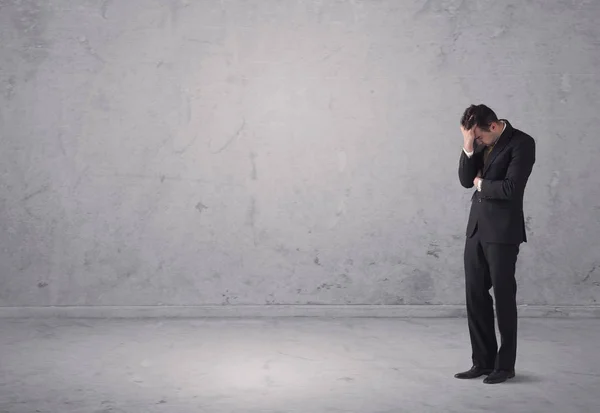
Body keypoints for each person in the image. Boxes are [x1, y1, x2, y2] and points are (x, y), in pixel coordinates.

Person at [454, 104, 536, 384]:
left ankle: (505, 365)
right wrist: (467, 145)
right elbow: (466, 181)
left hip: (503, 232)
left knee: (503, 298)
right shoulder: (476, 141)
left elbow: (511, 188)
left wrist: (481, 183)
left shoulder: (522, 143)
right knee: (475, 296)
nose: (476, 142)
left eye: (477, 137)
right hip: (476, 229)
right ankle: (483, 362)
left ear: (493, 126)